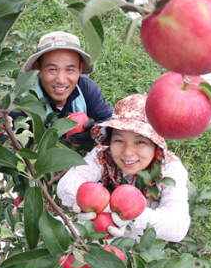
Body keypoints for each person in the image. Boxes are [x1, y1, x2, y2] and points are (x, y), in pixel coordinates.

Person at [57, 93, 190, 242]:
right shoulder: (104, 154)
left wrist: (132, 216)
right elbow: (67, 184)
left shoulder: (171, 170)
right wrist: (97, 205)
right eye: (119, 140)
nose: (127, 152)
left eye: (140, 142)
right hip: (98, 233)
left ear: (156, 145)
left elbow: (177, 226)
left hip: (139, 244)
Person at [11, 31, 113, 144]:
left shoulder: (86, 89)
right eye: (52, 69)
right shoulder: (23, 98)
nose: (61, 80)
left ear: (80, 69)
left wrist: (98, 131)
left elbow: (111, 122)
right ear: (38, 69)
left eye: (70, 70)